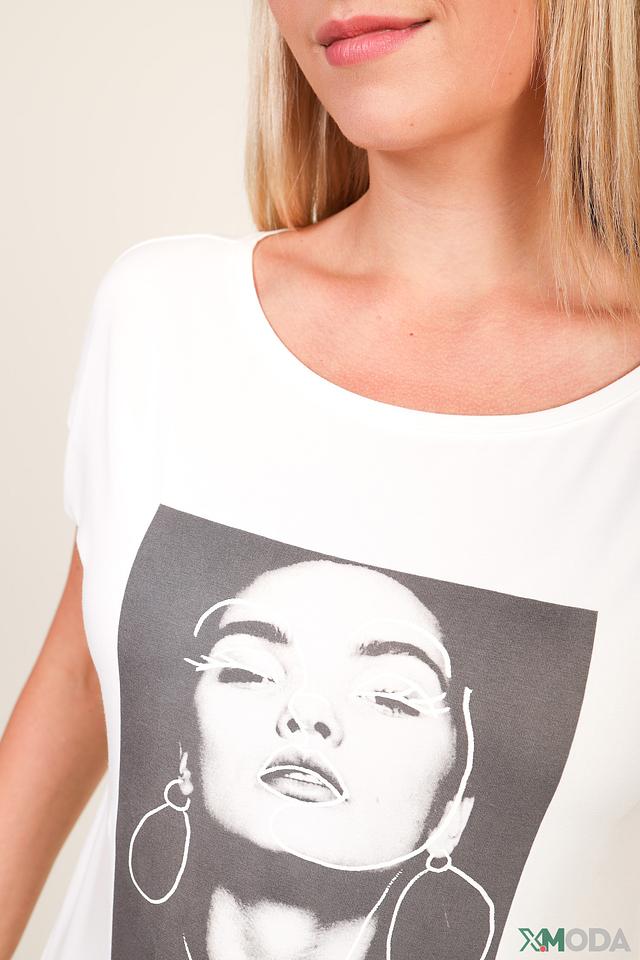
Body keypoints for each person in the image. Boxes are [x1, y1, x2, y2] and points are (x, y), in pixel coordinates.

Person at [1, 0, 639, 958]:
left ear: (457, 805)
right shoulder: (165, 318)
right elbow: (84, 676)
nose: (306, 717)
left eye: (394, 695)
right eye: (246, 666)